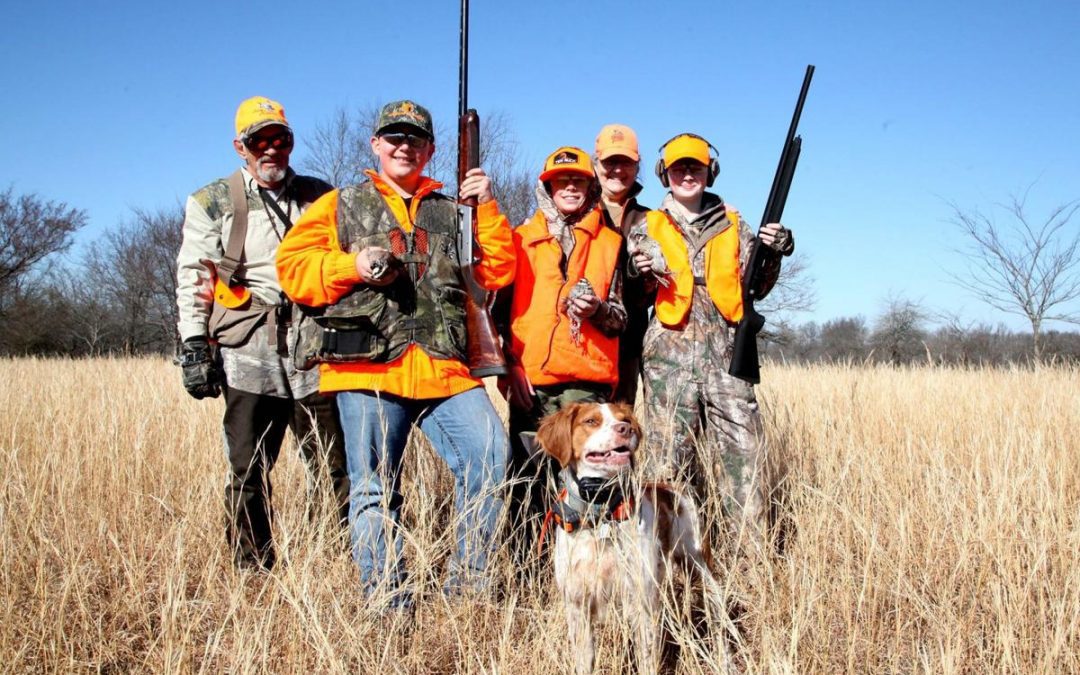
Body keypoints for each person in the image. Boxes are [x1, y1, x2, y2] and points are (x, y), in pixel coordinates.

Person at [275, 100, 514, 604]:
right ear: (376, 145)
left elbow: (497, 272)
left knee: (491, 456)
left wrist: (486, 207)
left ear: (430, 150)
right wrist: (353, 265)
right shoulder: (339, 204)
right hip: (366, 369)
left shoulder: (455, 211)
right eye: (394, 137)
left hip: (444, 369)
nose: (404, 145)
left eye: (415, 139)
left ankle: (467, 591)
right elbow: (293, 270)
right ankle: (388, 601)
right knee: (373, 489)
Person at [175, 96, 350, 571]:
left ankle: (337, 561)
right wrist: (194, 344)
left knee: (335, 465)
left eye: (282, 139)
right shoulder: (212, 200)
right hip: (246, 345)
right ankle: (253, 568)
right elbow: (196, 274)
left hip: (316, 343)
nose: (272, 149)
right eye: (260, 141)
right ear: (240, 146)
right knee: (248, 467)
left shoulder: (323, 196)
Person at [635, 133, 794, 554]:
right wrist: (646, 264)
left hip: (727, 355)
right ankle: (662, 563)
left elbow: (757, 286)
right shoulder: (646, 225)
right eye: (678, 168)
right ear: (664, 175)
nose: (687, 174)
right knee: (666, 466)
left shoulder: (736, 226)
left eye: (696, 167)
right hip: (667, 356)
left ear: (710, 172)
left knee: (744, 461)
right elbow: (638, 275)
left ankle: (750, 568)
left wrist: (774, 251)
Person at [500, 146, 626, 561]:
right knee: (526, 480)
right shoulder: (519, 240)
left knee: (589, 486)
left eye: (579, 181)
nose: (570, 187)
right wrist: (509, 369)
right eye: (562, 181)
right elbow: (497, 316)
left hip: (586, 389)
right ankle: (528, 572)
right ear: (548, 187)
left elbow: (622, 318)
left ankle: (594, 575)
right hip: (530, 385)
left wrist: (598, 310)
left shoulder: (611, 243)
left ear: (591, 187)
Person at [592, 124, 670, 405]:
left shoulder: (651, 220)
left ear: (637, 168)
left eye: (625, 162)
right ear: (595, 164)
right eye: (609, 162)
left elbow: (653, 292)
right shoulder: (575, 210)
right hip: (583, 340)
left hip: (627, 343)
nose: (616, 170)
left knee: (619, 423)